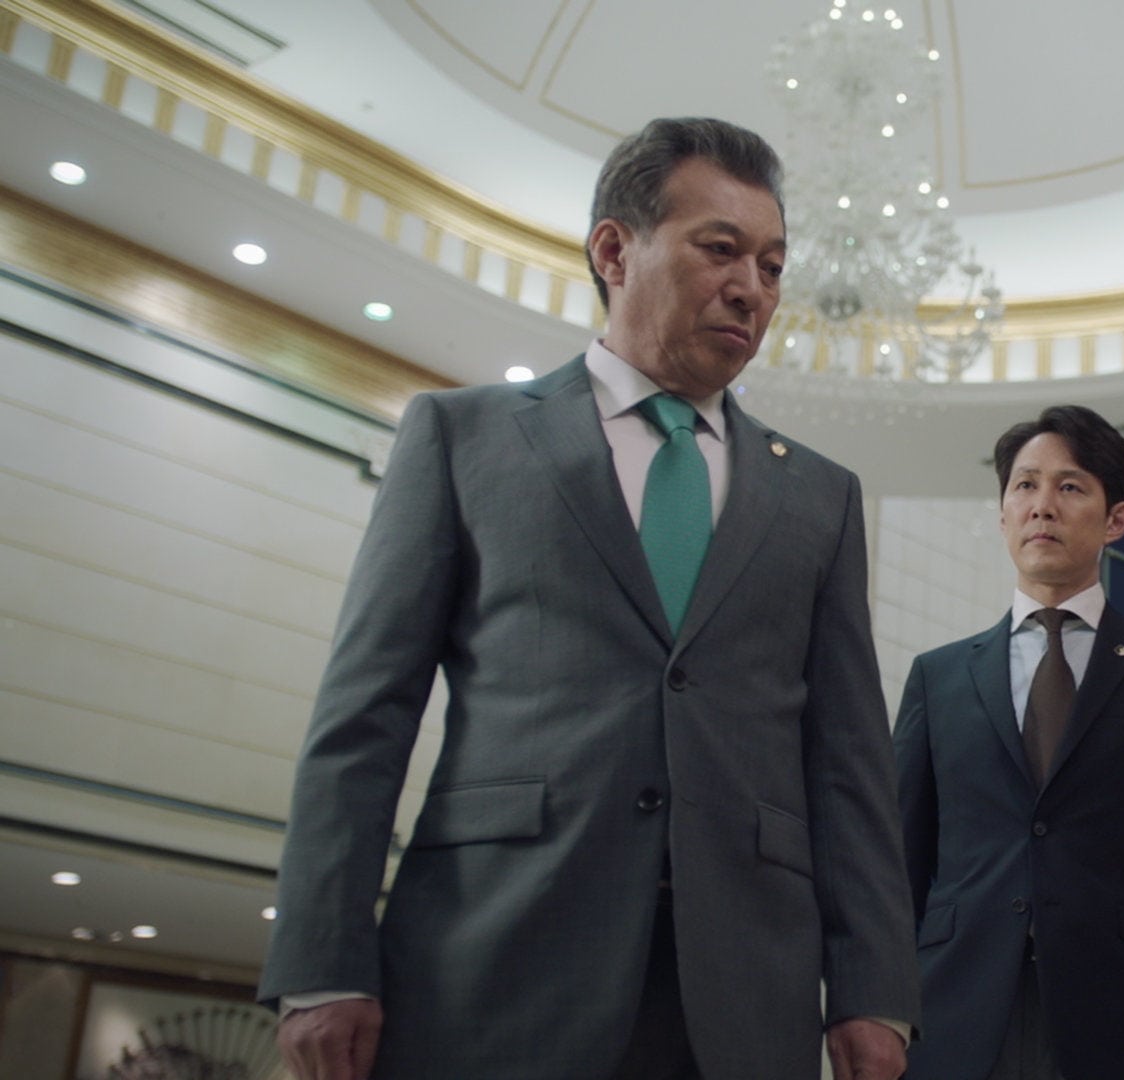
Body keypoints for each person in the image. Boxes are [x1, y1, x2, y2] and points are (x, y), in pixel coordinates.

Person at [258, 117, 919, 1080]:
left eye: (773, 266)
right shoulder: (463, 436)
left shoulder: (821, 497)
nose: (753, 287)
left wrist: (874, 988)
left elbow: (849, 763)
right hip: (496, 961)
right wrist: (322, 961)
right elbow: (365, 713)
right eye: (721, 249)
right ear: (615, 250)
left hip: (742, 991)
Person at [892, 405, 1124, 1080]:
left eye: (1070, 487)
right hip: (951, 1019)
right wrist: (877, 1020)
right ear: (1003, 515)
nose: (1042, 506)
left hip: (1119, 1022)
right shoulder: (938, 678)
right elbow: (897, 871)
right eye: (1025, 485)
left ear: (1116, 520)